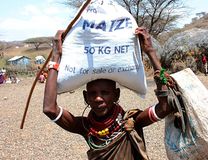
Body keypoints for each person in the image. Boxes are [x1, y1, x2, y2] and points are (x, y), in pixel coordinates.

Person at [43, 27, 176, 159]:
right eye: (92, 94)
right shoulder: (85, 127)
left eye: (105, 92)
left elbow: (165, 107)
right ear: (86, 97)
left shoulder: (131, 122)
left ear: (116, 95)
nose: (98, 98)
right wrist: (56, 57)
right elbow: (49, 109)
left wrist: (150, 51)